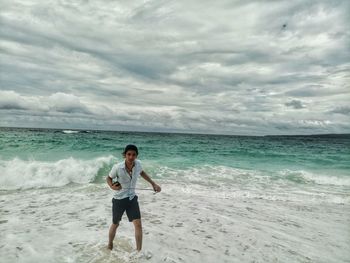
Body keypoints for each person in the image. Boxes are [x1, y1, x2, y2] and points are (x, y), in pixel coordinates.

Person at [106, 144, 161, 251]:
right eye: (129, 154)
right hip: (119, 200)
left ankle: (138, 251)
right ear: (125, 155)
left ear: (136, 156)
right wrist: (112, 186)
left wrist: (153, 184)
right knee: (115, 224)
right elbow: (108, 178)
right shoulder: (117, 167)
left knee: (138, 225)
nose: (131, 157)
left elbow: (142, 172)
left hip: (132, 199)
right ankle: (110, 244)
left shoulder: (138, 164)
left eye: (133, 155)